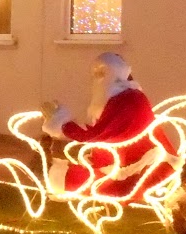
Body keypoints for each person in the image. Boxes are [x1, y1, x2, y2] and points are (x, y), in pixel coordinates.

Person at [39, 52, 174, 198]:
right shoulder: (115, 98)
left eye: (103, 73)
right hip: (113, 161)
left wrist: (64, 125)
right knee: (69, 172)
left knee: (71, 180)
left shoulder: (129, 99)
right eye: (95, 74)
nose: (98, 80)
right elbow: (101, 133)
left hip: (136, 169)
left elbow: (102, 134)